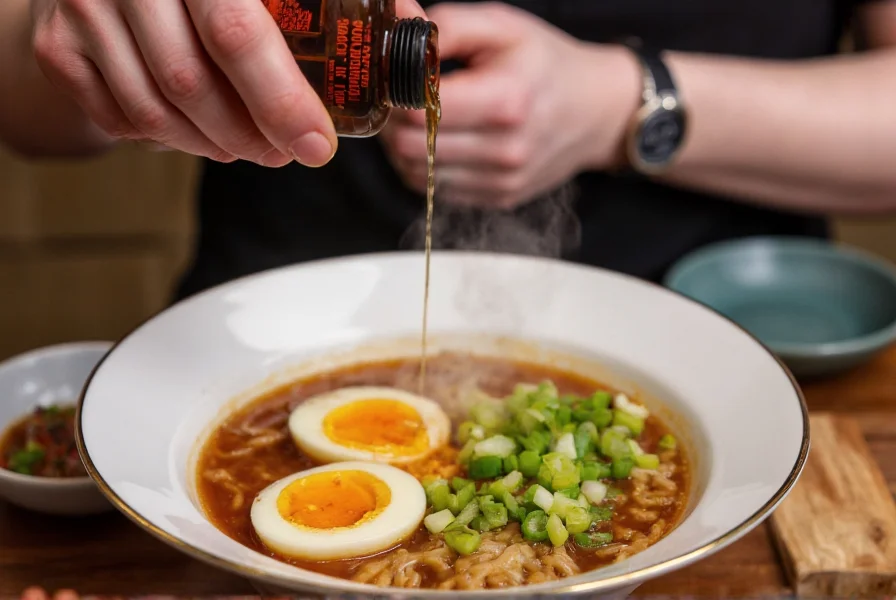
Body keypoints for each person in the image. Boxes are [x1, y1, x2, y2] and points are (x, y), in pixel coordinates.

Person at [2, 2, 896, 598]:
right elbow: (27, 106)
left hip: (732, 325)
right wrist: (82, 32)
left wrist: (630, 102)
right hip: (234, 329)